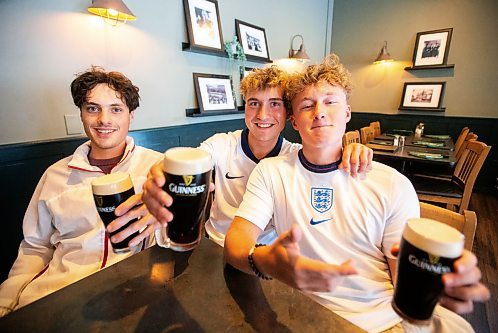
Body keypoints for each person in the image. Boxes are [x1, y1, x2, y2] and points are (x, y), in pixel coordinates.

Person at [223, 54, 491, 332]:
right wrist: (266, 261)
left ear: (348, 113)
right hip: (298, 314)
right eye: (307, 105)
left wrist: (435, 288)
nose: (319, 112)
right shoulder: (271, 172)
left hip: (381, 322)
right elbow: (237, 241)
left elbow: (403, 277)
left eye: (330, 101)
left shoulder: (391, 184)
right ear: (294, 121)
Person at [113, 66, 373, 248]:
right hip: (214, 247)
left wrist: (351, 150)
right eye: (253, 103)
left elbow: (325, 161)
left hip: (269, 255)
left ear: (289, 115)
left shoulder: (293, 156)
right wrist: (161, 174)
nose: (262, 115)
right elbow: (192, 159)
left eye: (274, 104)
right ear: (244, 108)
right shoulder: (222, 144)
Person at [0, 67, 162, 317]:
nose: (103, 119)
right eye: (93, 108)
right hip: (58, 293)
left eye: (116, 109)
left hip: (133, 294)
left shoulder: (156, 167)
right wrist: (7, 302)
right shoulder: (55, 175)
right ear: (82, 114)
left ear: (131, 115)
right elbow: (35, 247)